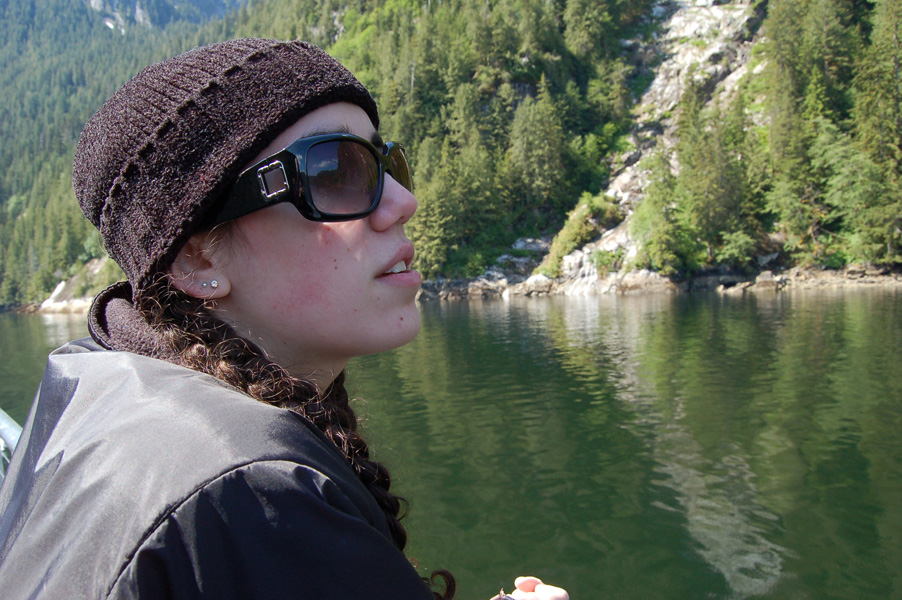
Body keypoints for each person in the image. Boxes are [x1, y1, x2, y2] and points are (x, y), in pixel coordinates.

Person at [0, 39, 569, 600]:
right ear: (199, 257)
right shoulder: (248, 498)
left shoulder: (93, 393)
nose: (402, 202)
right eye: (336, 171)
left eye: (386, 162)